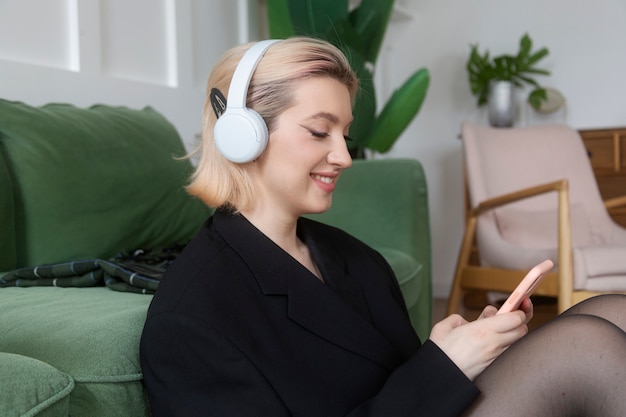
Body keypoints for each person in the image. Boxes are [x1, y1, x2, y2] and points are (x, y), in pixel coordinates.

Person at [140, 36, 626, 417]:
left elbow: (396, 382)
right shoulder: (193, 316)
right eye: (318, 131)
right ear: (243, 134)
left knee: (610, 312)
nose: (345, 156)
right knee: (584, 347)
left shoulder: (353, 258)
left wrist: (454, 351)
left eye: (345, 135)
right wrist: (446, 366)